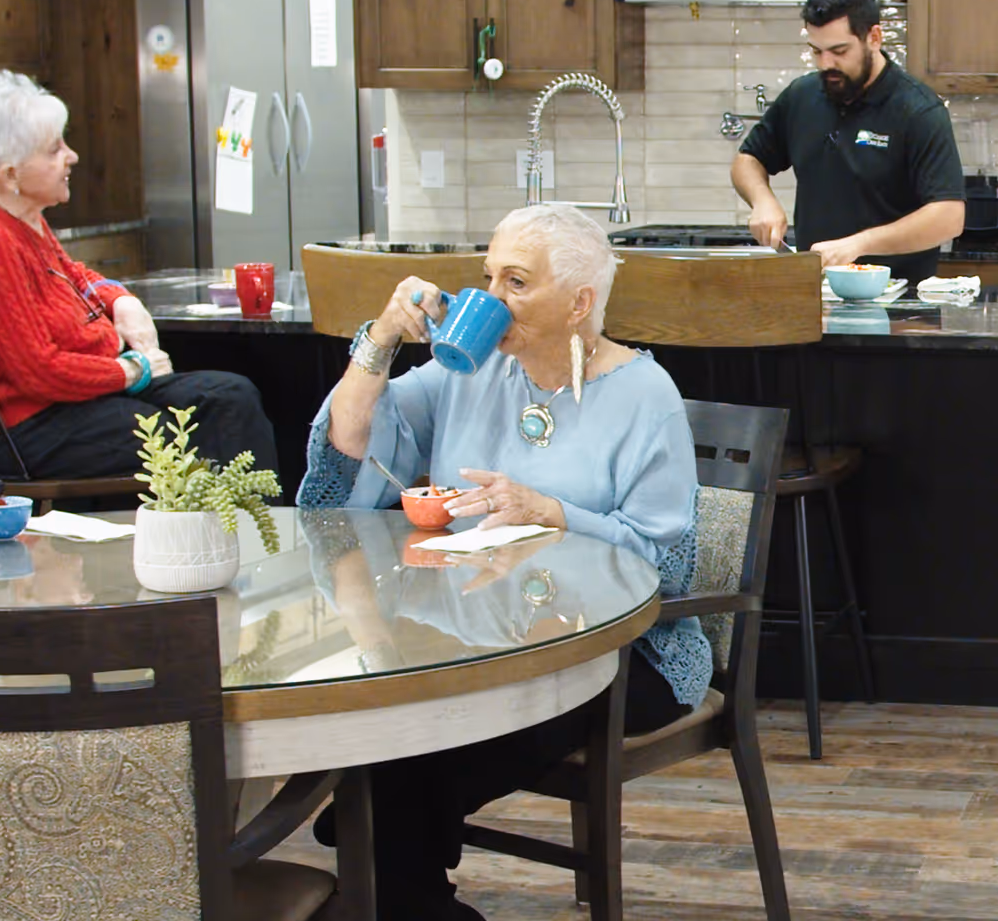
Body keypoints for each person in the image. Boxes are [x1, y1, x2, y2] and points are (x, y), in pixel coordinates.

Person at [297, 202, 707, 921]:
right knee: (403, 737)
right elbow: (353, 447)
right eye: (487, 276)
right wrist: (383, 340)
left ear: (580, 302)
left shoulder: (647, 397)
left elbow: (667, 567)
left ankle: (379, 858)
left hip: (614, 652)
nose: (489, 298)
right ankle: (397, 877)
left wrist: (555, 513)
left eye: (516, 281)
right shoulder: (472, 369)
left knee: (409, 757)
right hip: (474, 634)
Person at [0, 70, 276, 481]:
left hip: (84, 397)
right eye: (54, 149)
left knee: (231, 397)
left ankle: (253, 535)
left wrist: (121, 299)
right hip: (33, 427)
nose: (72, 156)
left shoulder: (21, 214)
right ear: (10, 175)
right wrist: (133, 370)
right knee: (198, 432)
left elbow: (73, 276)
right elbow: (37, 370)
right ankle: (240, 539)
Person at [732, 0, 965, 284]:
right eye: (817, 51)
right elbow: (748, 160)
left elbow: (949, 217)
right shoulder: (801, 96)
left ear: (874, 37)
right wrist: (762, 199)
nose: (826, 64)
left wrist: (860, 244)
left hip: (899, 308)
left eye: (839, 51)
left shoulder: (918, 110)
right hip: (816, 300)